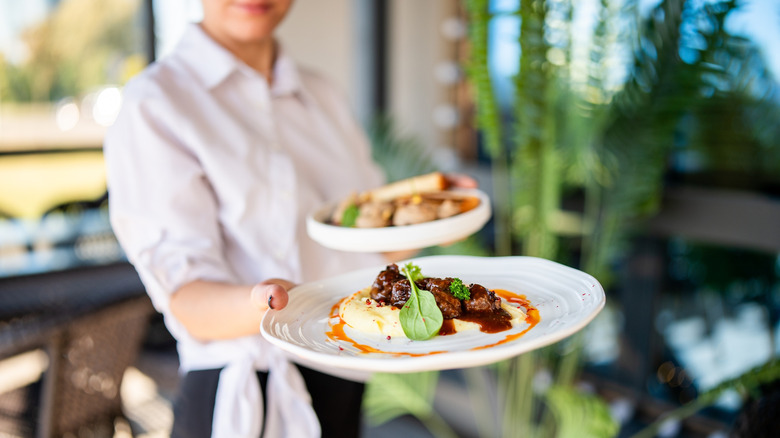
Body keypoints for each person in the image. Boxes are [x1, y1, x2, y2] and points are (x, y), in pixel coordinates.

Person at [105, 1, 477, 437]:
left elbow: (363, 243)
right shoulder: (158, 101)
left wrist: (435, 218)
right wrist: (269, 299)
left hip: (343, 374)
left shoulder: (322, 95)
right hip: (243, 393)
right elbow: (187, 301)